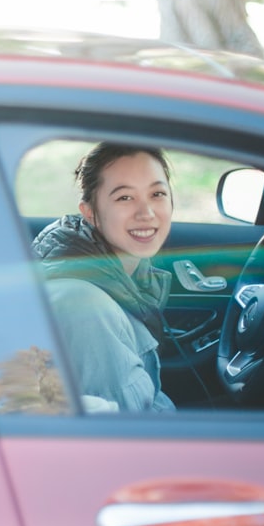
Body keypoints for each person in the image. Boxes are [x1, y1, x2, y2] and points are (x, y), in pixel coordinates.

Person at [32, 142, 175, 412]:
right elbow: (122, 432)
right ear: (90, 213)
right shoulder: (82, 305)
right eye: (124, 197)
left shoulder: (129, 271)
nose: (147, 213)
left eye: (157, 193)